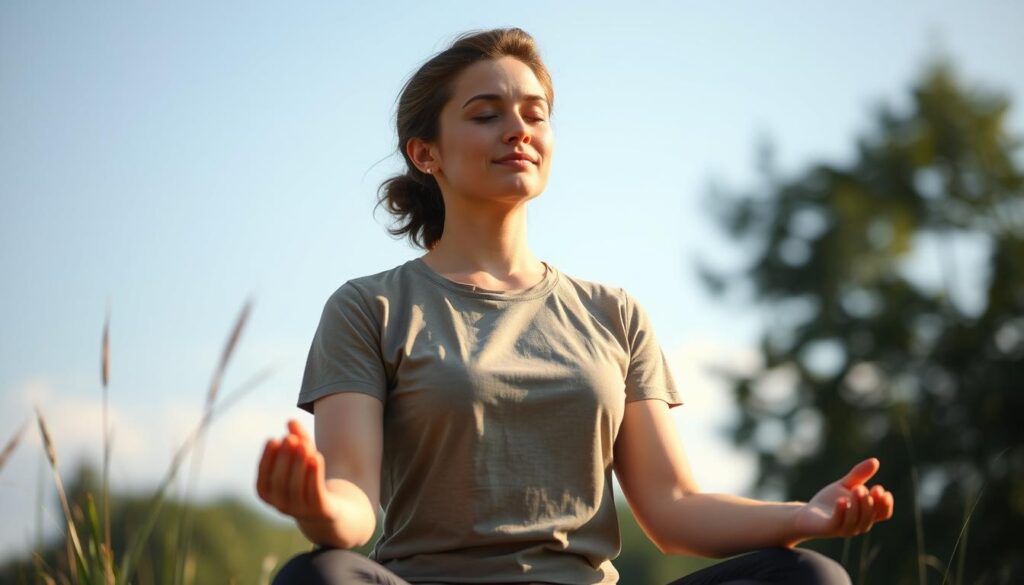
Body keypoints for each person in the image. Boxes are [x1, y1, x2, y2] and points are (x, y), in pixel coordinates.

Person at [256, 27, 894, 585]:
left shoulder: (614, 313)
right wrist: (318, 507)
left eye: (535, 114)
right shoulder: (370, 307)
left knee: (808, 575)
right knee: (317, 574)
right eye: (486, 115)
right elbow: (354, 500)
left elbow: (673, 508)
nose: (518, 130)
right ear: (426, 154)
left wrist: (804, 518)